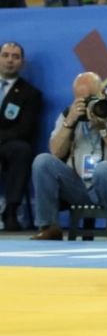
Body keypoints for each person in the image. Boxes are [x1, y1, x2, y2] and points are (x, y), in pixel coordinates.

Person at [31, 72, 107, 241]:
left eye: (91, 99)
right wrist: (69, 123)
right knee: (42, 161)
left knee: (105, 168)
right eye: (82, 101)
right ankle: (49, 226)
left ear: (103, 94)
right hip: (78, 185)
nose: (88, 105)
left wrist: (104, 129)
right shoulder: (69, 115)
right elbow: (56, 152)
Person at [0, 42, 42, 231]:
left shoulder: (30, 94)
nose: (10, 60)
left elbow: (25, 129)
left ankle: (10, 210)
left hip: (7, 145)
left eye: (15, 57)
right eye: (5, 55)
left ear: (22, 63)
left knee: (22, 150)